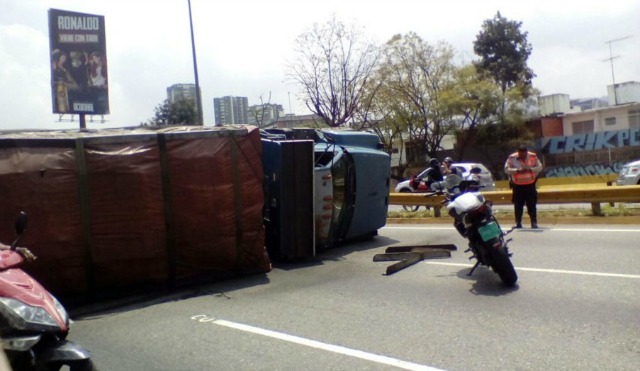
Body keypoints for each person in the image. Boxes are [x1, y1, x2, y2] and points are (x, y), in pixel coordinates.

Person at [504, 145, 543, 229]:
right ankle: (518, 223)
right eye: (520, 154)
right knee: (518, 205)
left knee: (531, 204)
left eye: (524, 154)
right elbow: (506, 170)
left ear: (526, 152)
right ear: (518, 153)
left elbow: (540, 167)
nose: (522, 156)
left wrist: (531, 169)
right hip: (517, 185)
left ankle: (534, 222)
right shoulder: (512, 158)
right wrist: (517, 171)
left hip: (530, 184)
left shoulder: (533, 156)